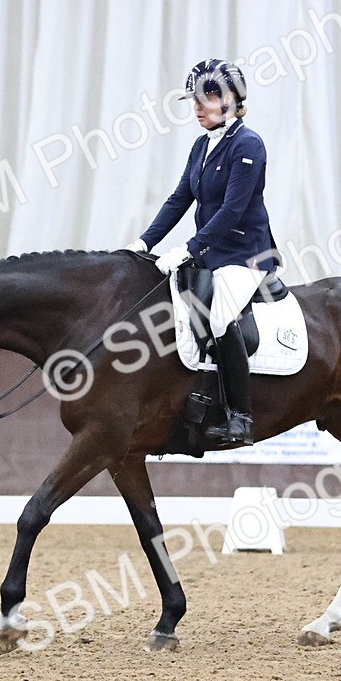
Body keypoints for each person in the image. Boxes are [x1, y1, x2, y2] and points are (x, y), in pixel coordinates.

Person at [124, 58, 278, 446]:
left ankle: (240, 417)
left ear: (230, 100)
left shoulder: (248, 145)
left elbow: (232, 210)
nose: (196, 108)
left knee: (220, 317)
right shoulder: (201, 145)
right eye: (193, 100)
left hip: (246, 254)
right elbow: (180, 199)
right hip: (211, 253)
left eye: (205, 99)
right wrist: (144, 242)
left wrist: (189, 248)